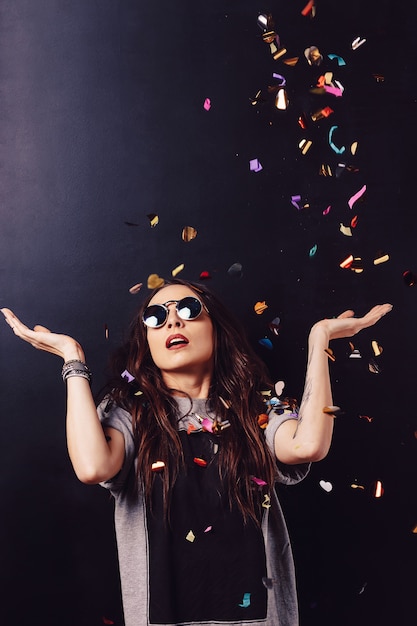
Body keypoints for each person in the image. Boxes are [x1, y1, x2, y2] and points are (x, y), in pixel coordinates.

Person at [1, 280, 392, 626]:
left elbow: (308, 444)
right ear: (147, 340)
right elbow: (92, 467)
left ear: (216, 330)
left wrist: (319, 339)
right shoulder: (129, 410)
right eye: (156, 316)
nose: (173, 322)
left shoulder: (257, 405)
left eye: (188, 310)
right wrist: (72, 359)